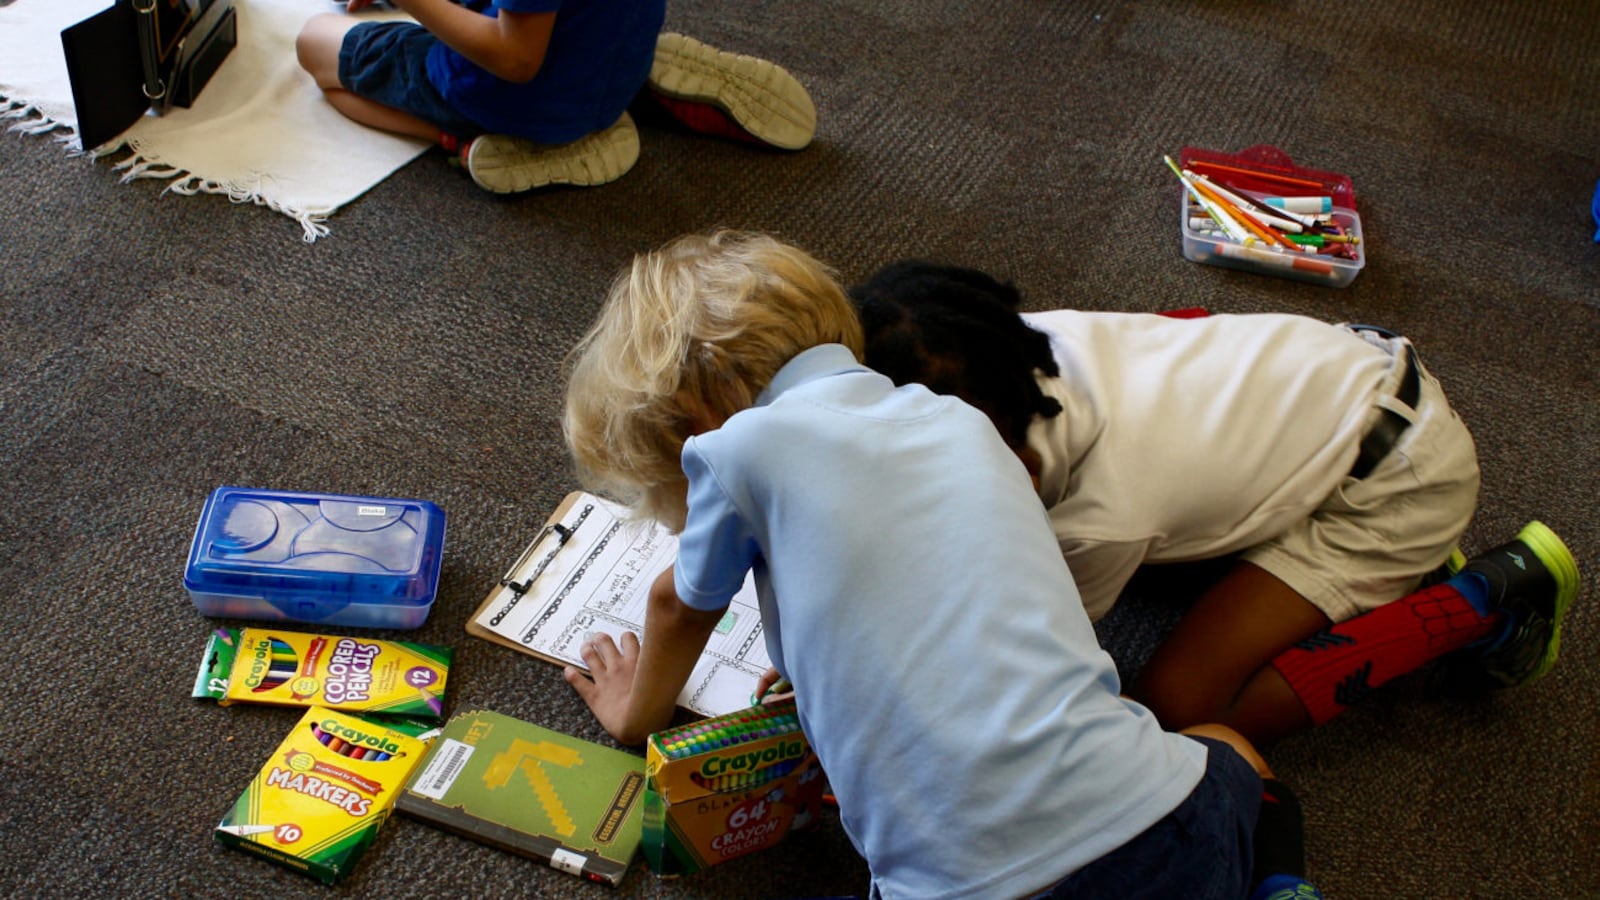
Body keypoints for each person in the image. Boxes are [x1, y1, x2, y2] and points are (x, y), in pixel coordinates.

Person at [559, 230, 1320, 899]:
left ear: (699, 413)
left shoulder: (737, 447)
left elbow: (676, 607)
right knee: (1229, 751)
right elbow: (949, 579)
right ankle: (1282, 887)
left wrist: (637, 714)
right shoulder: (964, 423)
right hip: (1170, 840)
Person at [849, 260, 1582, 746]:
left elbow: (1014, 656)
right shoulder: (1008, 349)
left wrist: (870, 690)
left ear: (1011, 446)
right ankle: (1318, 558)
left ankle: (1479, 602)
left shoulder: (1101, 515)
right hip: (1335, 381)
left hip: (1397, 486)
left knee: (1175, 707)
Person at [295, 1, 816, 194]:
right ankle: (632, 77)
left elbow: (516, 60)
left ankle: (458, 137)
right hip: (613, 45)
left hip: (523, 91)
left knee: (314, 42)